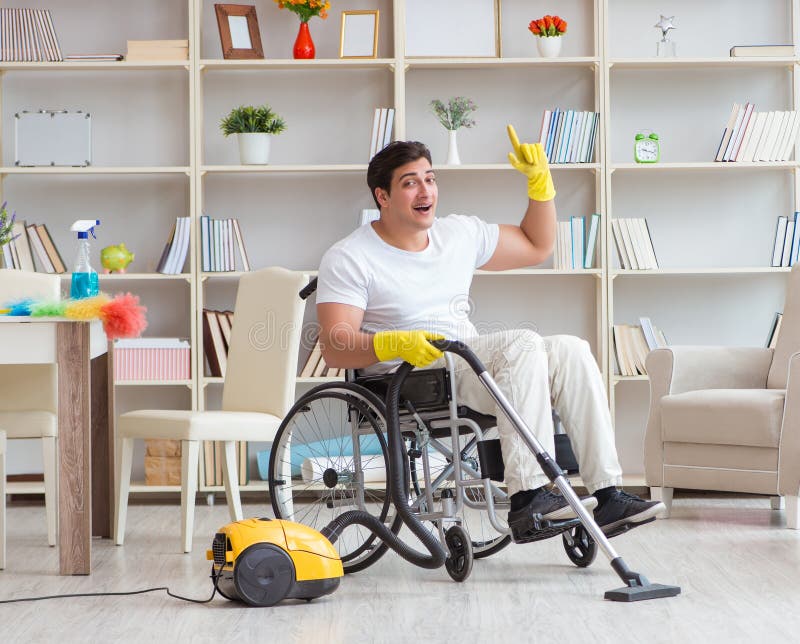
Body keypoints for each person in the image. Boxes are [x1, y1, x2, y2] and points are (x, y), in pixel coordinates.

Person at [315, 127, 664, 542]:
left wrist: (540, 185)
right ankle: (528, 496)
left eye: (430, 178)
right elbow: (335, 346)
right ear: (382, 197)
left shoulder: (456, 234)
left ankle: (608, 494)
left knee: (570, 348)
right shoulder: (350, 256)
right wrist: (391, 342)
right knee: (521, 343)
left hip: (467, 366)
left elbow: (536, 245)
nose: (425, 190)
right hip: (411, 376)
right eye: (410, 183)